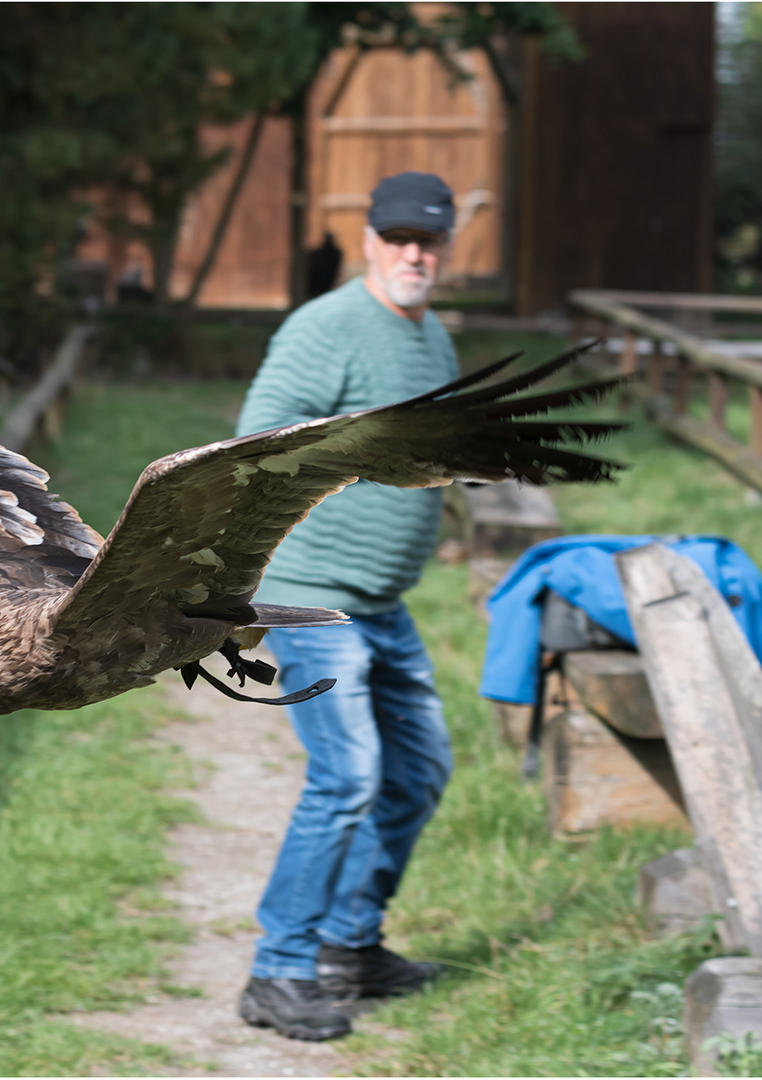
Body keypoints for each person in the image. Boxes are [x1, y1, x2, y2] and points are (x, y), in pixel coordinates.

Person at [234, 172, 460, 1042]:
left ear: (445, 246)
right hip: (312, 597)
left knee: (421, 771)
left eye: (429, 240)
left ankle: (349, 945)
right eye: (398, 236)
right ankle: (278, 969)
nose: (414, 253)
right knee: (348, 776)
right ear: (367, 238)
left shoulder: (432, 335)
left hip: (382, 600)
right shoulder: (324, 329)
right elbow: (254, 448)